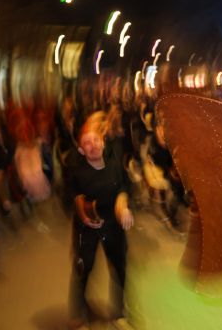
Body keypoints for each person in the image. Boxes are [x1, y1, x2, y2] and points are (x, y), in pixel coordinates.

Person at [67, 113, 134, 330]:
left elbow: (124, 187)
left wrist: (122, 205)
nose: (93, 145)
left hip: (112, 225)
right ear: (81, 149)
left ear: (103, 142)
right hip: (87, 228)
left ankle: (119, 313)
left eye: (96, 140)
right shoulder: (77, 171)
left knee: (119, 268)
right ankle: (77, 315)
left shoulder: (114, 163)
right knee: (83, 269)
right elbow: (73, 195)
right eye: (87, 143)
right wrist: (84, 214)